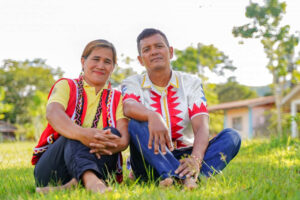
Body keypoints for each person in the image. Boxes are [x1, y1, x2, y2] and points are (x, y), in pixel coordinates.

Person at [121, 28, 241, 188]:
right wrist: (152, 115)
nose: (154, 52)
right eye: (147, 49)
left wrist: (196, 160)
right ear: (140, 59)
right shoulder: (132, 83)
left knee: (232, 137)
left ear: (170, 52)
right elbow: (128, 106)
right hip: (150, 160)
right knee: (135, 124)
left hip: (186, 153)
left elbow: (201, 127)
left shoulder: (191, 83)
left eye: (159, 46)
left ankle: (184, 177)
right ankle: (182, 178)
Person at [31, 39, 129, 193]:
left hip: (100, 163)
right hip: (55, 168)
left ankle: (72, 185)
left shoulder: (118, 98)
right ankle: (91, 182)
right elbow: (53, 113)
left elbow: (123, 139)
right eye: (96, 59)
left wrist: (104, 140)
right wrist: (83, 134)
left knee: (112, 132)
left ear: (113, 68)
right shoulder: (65, 85)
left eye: (107, 62)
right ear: (83, 62)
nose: (101, 66)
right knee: (72, 133)